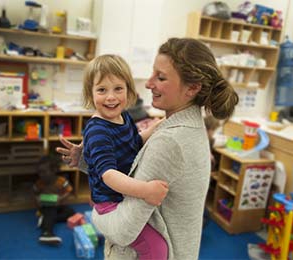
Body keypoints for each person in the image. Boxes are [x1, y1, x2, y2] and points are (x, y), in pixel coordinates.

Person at [57, 38, 239, 259]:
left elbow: (123, 230)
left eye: (160, 77)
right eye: (102, 89)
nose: (148, 83)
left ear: (192, 88)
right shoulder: (189, 125)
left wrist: (95, 213)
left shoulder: (169, 141)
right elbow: (128, 161)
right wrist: (88, 160)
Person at [76, 54, 170, 259]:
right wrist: (146, 190)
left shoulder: (123, 116)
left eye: (118, 88)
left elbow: (134, 142)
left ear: (128, 90)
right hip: (110, 203)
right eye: (102, 90)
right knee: (157, 249)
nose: (111, 97)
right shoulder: (98, 130)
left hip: (123, 193)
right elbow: (108, 175)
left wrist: (158, 126)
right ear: (90, 94)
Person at [33, 156, 75, 246]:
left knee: (71, 213)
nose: (41, 175)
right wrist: (38, 200)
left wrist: (61, 198)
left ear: (54, 170)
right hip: (46, 207)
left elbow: (69, 190)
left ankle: (45, 220)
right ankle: (46, 233)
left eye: (44, 172)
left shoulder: (61, 181)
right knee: (50, 212)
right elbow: (35, 193)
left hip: (58, 205)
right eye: (39, 172)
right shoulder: (39, 183)